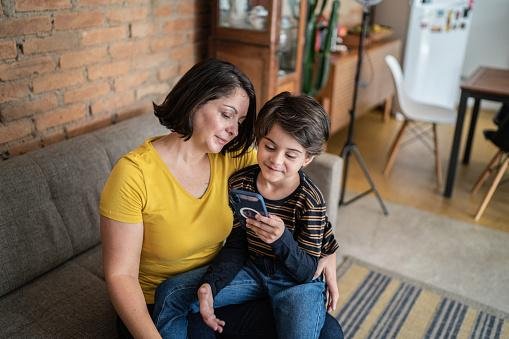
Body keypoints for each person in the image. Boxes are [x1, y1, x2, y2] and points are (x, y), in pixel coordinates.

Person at [100, 58, 341, 338]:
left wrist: (328, 253)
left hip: (221, 280)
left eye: (239, 121)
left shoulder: (233, 161)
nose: (235, 131)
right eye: (227, 115)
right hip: (155, 305)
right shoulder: (133, 174)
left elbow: (294, 188)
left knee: (328, 331)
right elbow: (120, 276)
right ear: (195, 100)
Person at [152, 92, 341, 339]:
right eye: (269, 147)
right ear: (259, 141)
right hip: (253, 270)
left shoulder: (310, 200)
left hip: (296, 284)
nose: (275, 160)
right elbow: (238, 243)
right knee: (171, 292)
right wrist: (213, 283)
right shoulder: (242, 182)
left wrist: (281, 239)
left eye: (291, 155)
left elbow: (306, 271)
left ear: (307, 159)